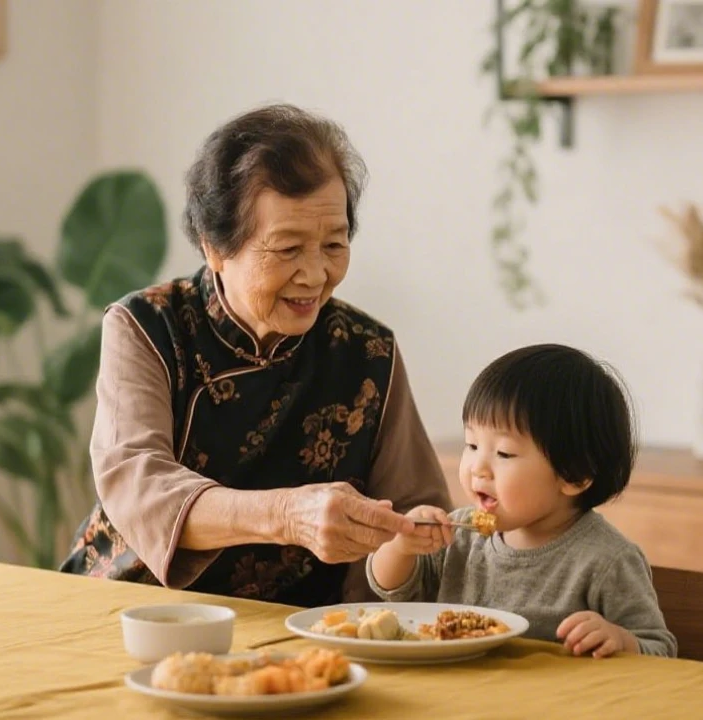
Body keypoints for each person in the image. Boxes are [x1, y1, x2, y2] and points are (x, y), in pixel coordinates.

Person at [59, 103, 452, 607]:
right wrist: (288, 515)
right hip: (135, 609)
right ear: (215, 248)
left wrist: (406, 548)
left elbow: (416, 517)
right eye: (287, 249)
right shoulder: (148, 326)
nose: (315, 274)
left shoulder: (368, 351)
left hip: (298, 626)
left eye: (334, 245)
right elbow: (140, 484)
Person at [367, 344, 678, 658]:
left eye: (504, 453)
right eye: (472, 444)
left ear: (574, 475)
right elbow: (392, 589)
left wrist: (620, 640)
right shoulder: (459, 535)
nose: (478, 467)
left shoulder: (607, 560)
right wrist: (401, 547)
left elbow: (660, 650)